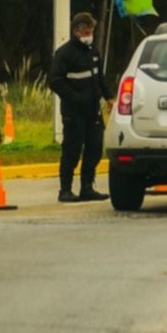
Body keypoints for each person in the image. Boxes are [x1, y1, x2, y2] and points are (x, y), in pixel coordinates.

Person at [48, 12, 113, 202]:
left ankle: (87, 187)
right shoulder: (65, 54)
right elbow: (55, 81)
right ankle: (65, 190)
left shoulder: (93, 52)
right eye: (86, 31)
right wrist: (75, 98)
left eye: (91, 31)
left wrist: (109, 97)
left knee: (94, 148)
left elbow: (99, 77)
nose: (89, 34)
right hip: (74, 112)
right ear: (76, 32)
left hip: (93, 110)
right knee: (72, 150)